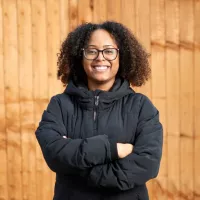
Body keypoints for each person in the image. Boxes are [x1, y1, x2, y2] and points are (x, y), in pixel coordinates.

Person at [35, 21, 163, 200]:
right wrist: (112, 150)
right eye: (91, 51)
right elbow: (54, 153)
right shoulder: (59, 105)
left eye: (109, 51)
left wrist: (78, 169)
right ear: (80, 56)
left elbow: (147, 164)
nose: (100, 58)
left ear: (122, 56)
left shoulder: (142, 107)